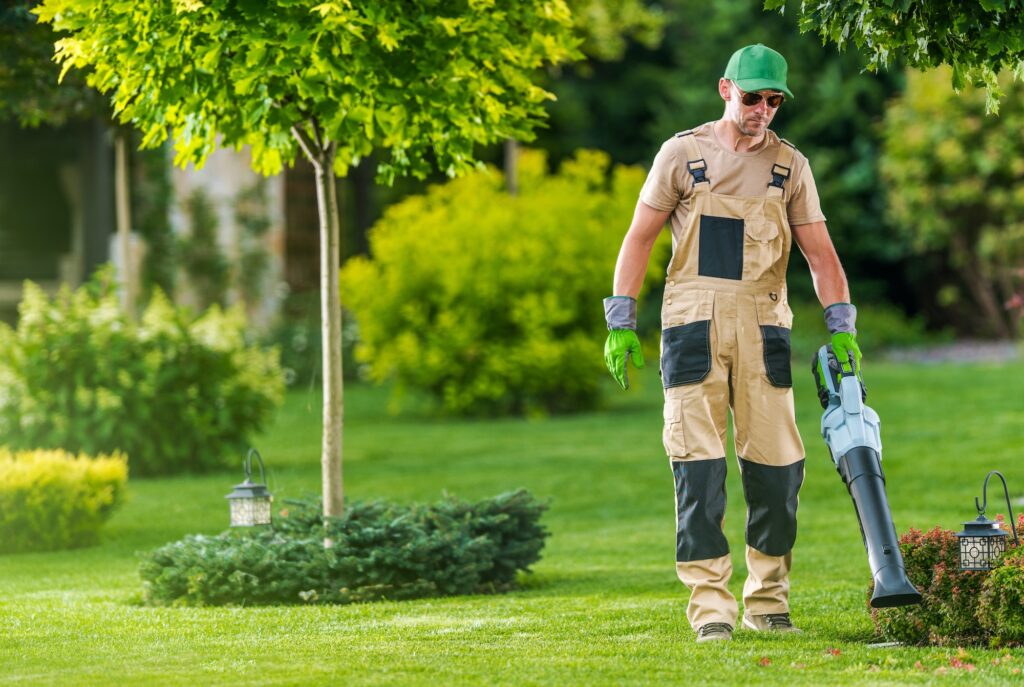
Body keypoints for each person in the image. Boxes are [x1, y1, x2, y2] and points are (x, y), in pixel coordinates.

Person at [602, 44, 862, 643]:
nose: (763, 110)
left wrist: (842, 326)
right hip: (692, 321)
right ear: (726, 90)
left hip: (764, 324)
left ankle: (768, 603)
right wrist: (620, 320)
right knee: (699, 470)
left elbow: (821, 255)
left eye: (774, 100)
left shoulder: (789, 167)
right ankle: (711, 609)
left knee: (778, 470)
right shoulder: (681, 155)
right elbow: (639, 238)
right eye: (753, 97)